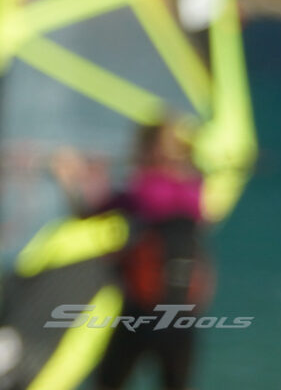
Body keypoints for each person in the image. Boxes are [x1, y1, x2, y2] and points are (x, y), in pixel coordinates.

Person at [57, 121, 214, 390]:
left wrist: (75, 180)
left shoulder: (144, 190)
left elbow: (89, 213)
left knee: (108, 383)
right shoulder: (194, 191)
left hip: (142, 312)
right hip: (183, 315)